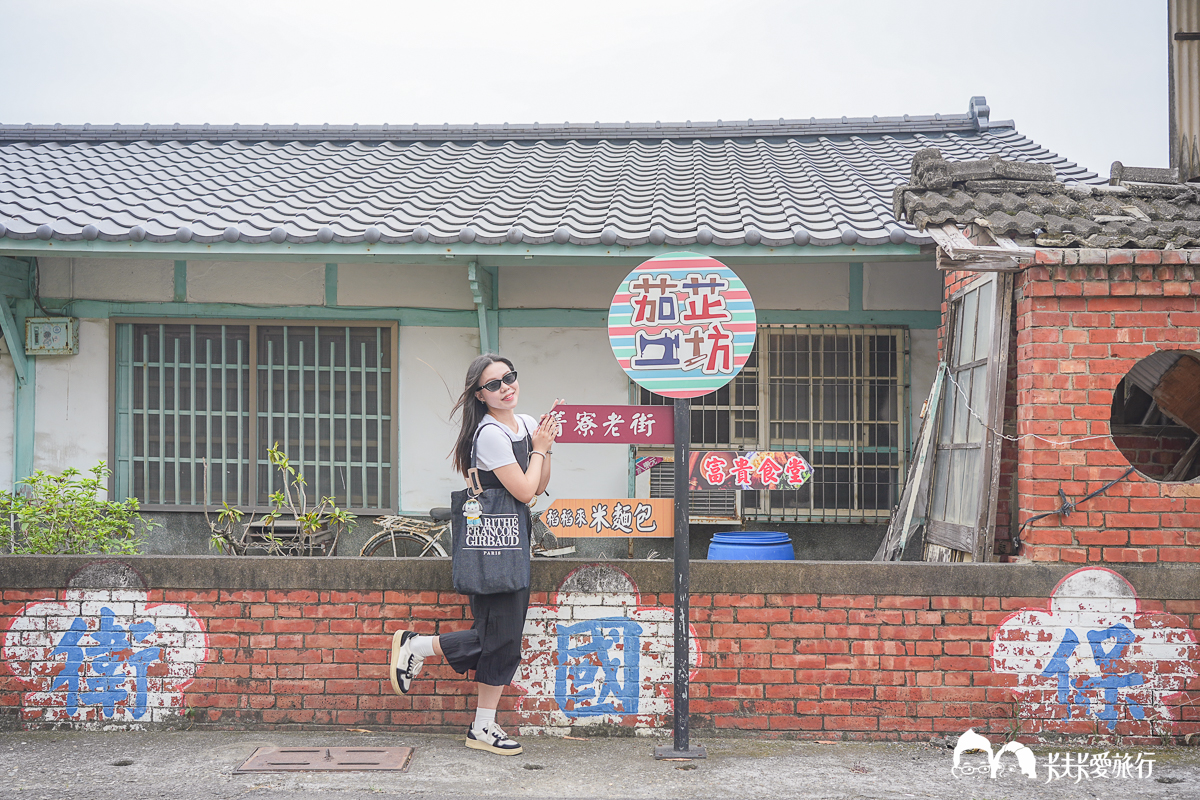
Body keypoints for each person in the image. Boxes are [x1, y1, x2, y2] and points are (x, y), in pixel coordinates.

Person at [389, 353, 560, 756]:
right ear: (481, 395)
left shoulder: (528, 424)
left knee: (502, 640)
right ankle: (418, 648)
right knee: (500, 638)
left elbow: (538, 487)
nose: (506, 388)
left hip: (512, 537)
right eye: (495, 384)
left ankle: (480, 724)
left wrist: (546, 447)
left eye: (510, 377)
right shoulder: (489, 435)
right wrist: (537, 449)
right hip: (493, 543)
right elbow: (521, 490)